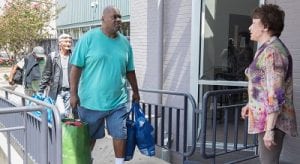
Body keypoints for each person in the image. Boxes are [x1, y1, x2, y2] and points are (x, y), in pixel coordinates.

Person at [70, 6, 140, 164]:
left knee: (120, 134)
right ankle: (84, 160)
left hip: (118, 101)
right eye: (114, 17)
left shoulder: (125, 43)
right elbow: (76, 68)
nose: (118, 20)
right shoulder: (88, 38)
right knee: (89, 139)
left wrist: (136, 91)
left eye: (120, 17)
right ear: (103, 19)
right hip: (90, 102)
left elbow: (130, 70)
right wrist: (73, 94)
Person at [241, 4, 298, 164]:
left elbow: (276, 93)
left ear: (265, 26)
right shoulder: (266, 49)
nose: (250, 27)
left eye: (254, 23)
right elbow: (263, 85)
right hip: (266, 119)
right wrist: (250, 104)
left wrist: (270, 130)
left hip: (271, 121)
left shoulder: (273, 52)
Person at [39, 33, 73, 118]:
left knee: (67, 115)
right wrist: (40, 90)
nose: (68, 44)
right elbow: (47, 74)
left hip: (70, 92)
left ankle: (63, 131)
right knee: (61, 113)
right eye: (66, 41)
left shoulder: (74, 56)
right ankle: (57, 130)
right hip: (57, 91)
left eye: (70, 42)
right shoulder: (53, 57)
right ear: (60, 44)